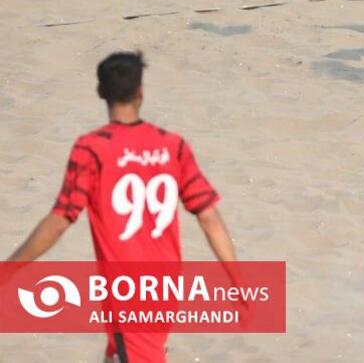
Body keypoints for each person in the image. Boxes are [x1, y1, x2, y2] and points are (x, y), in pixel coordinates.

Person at [6, 51, 238, 363]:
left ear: (100, 91)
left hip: (126, 289)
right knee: (118, 353)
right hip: (166, 285)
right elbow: (209, 217)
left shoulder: (91, 149)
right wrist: (238, 279)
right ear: (141, 91)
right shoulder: (173, 145)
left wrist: (10, 269)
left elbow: (60, 220)